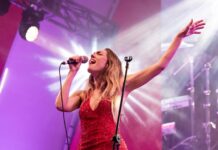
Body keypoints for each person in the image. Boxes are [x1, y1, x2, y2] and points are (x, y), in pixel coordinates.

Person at [55, 19, 205, 150]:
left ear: (109, 64)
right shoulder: (83, 94)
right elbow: (61, 105)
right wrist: (72, 72)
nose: (93, 55)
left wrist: (179, 37)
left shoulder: (121, 85)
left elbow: (159, 66)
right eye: (93, 53)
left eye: (99, 54)